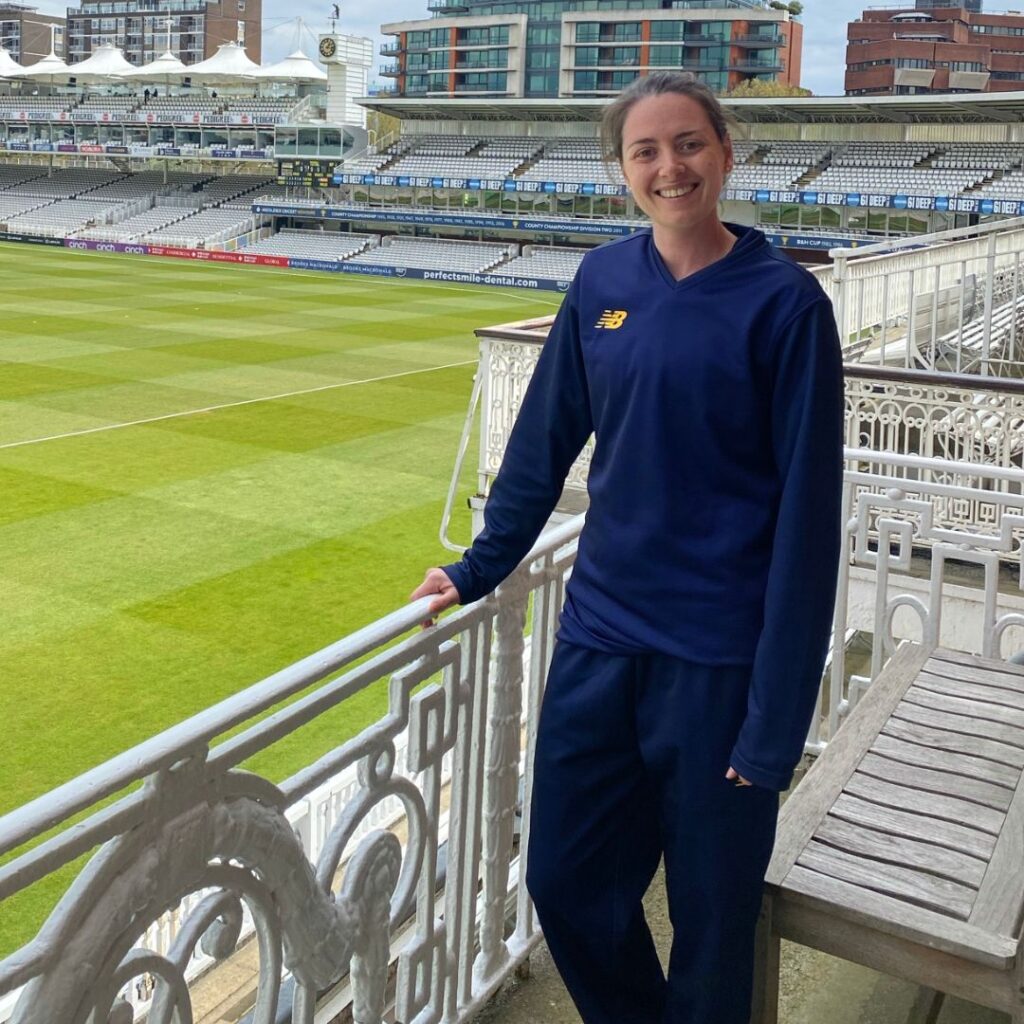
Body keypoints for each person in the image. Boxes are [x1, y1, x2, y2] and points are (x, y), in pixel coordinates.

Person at [410, 71, 843, 1024]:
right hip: (601, 643)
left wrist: (775, 723)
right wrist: (480, 567)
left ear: (726, 154)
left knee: (712, 921)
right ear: (622, 171)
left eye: (688, 143)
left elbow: (810, 526)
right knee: (565, 882)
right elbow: (541, 444)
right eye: (645, 150)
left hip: (720, 666)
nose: (669, 166)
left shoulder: (787, 304)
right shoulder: (602, 281)